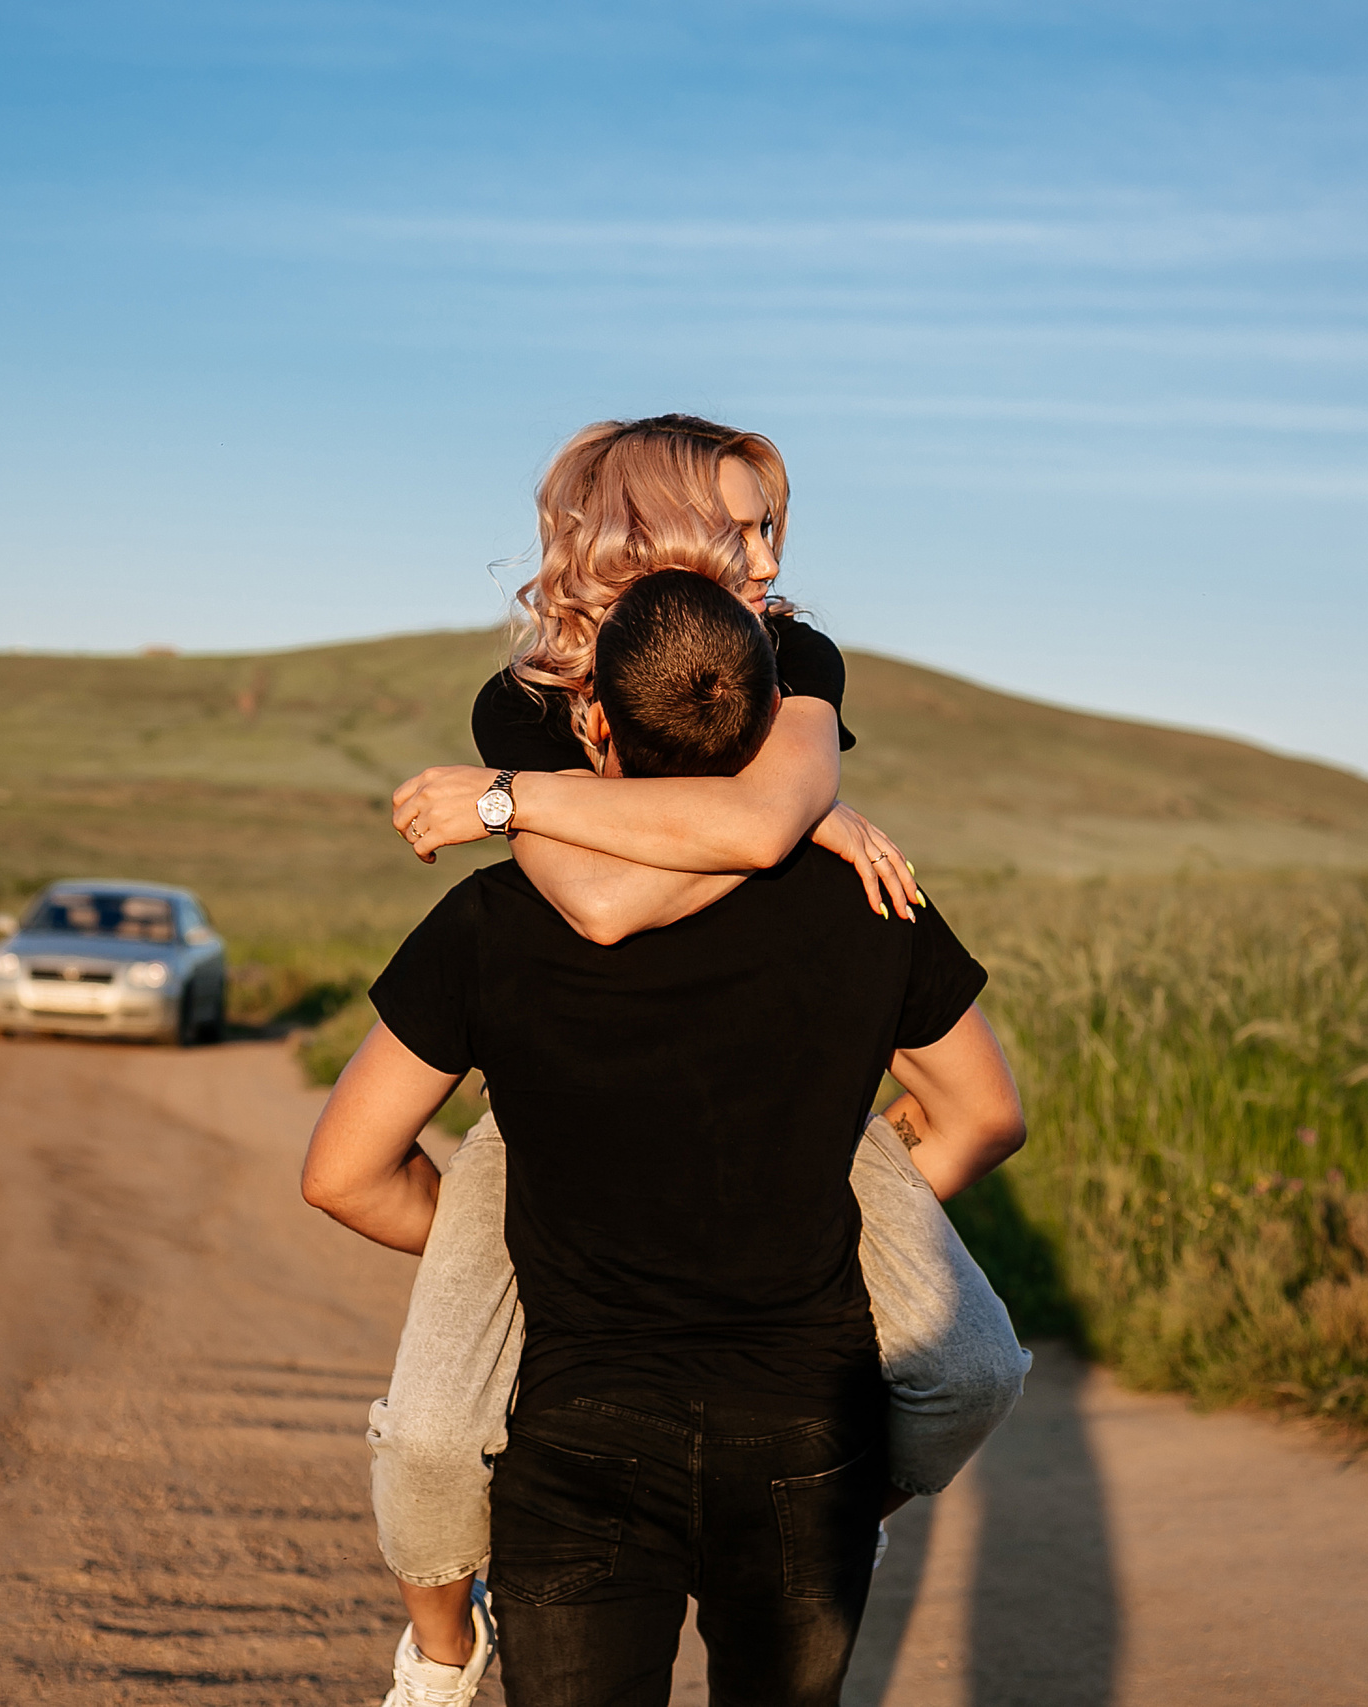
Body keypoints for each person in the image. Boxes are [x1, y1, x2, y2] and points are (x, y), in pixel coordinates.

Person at [357, 416, 1031, 1707]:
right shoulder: (532, 697)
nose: (773, 560)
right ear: (651, 529)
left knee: (976, 1363)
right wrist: (769, 828)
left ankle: (851, 1505)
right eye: (744, 527)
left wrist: (511, 802)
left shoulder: (794, 655)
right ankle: (442, 1650)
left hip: (765, 1089)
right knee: (438, 1430)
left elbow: (741, 823)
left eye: (776, 527)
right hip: (578, 1090)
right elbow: (604, 902)